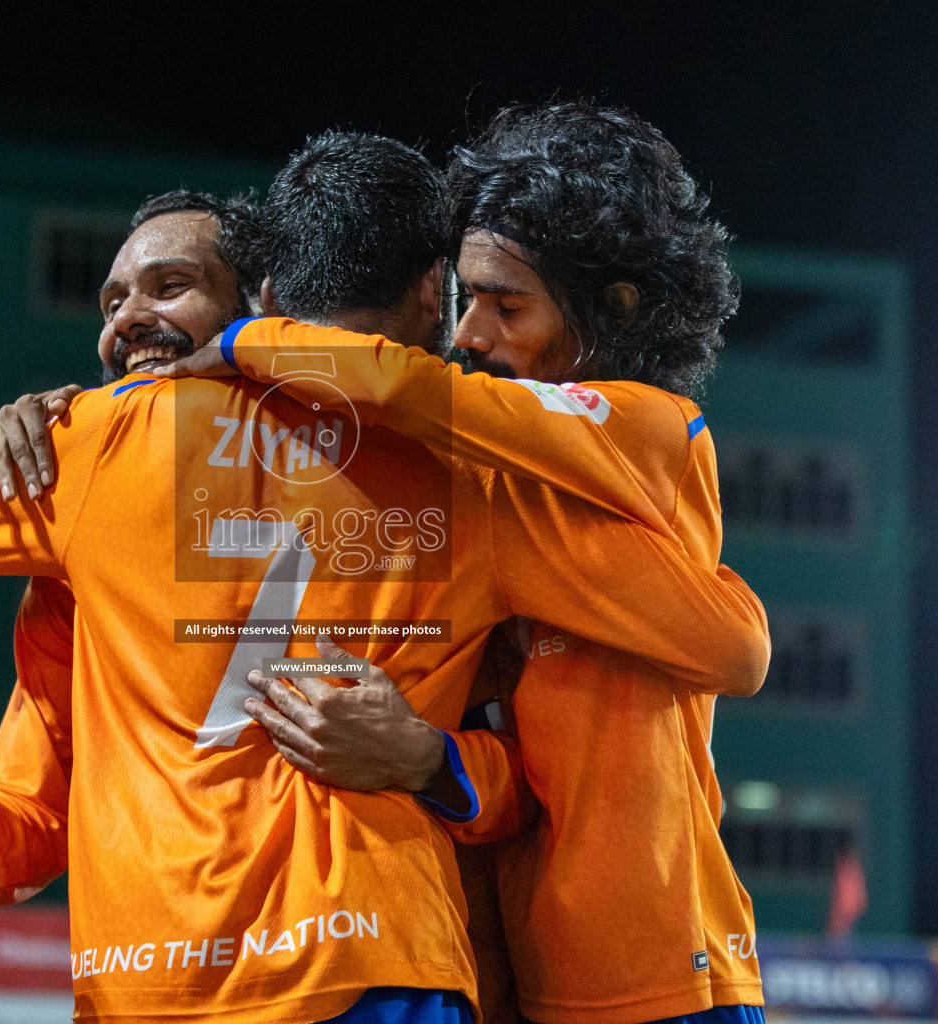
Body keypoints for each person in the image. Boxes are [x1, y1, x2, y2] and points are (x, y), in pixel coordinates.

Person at [0, 131, 767, 1023]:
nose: (131, 320)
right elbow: (724, 643)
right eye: (114, 299)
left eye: (171, 287)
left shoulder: (99, 450)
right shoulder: (481, 480)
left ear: (265, 295)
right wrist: (425, 760)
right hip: (379, 959)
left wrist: (74, 418)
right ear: (430, 293)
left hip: (153, 978)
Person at [157, 101, 767, 1024]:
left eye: (506, 304)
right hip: (526, 976)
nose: (472, 333)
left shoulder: (651, 426)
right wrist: (424, 760)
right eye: (464, 300)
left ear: (617, 306)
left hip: (668, 967)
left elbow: (738, 650)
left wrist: (252, 338)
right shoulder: (484, 491)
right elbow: (516, 777)